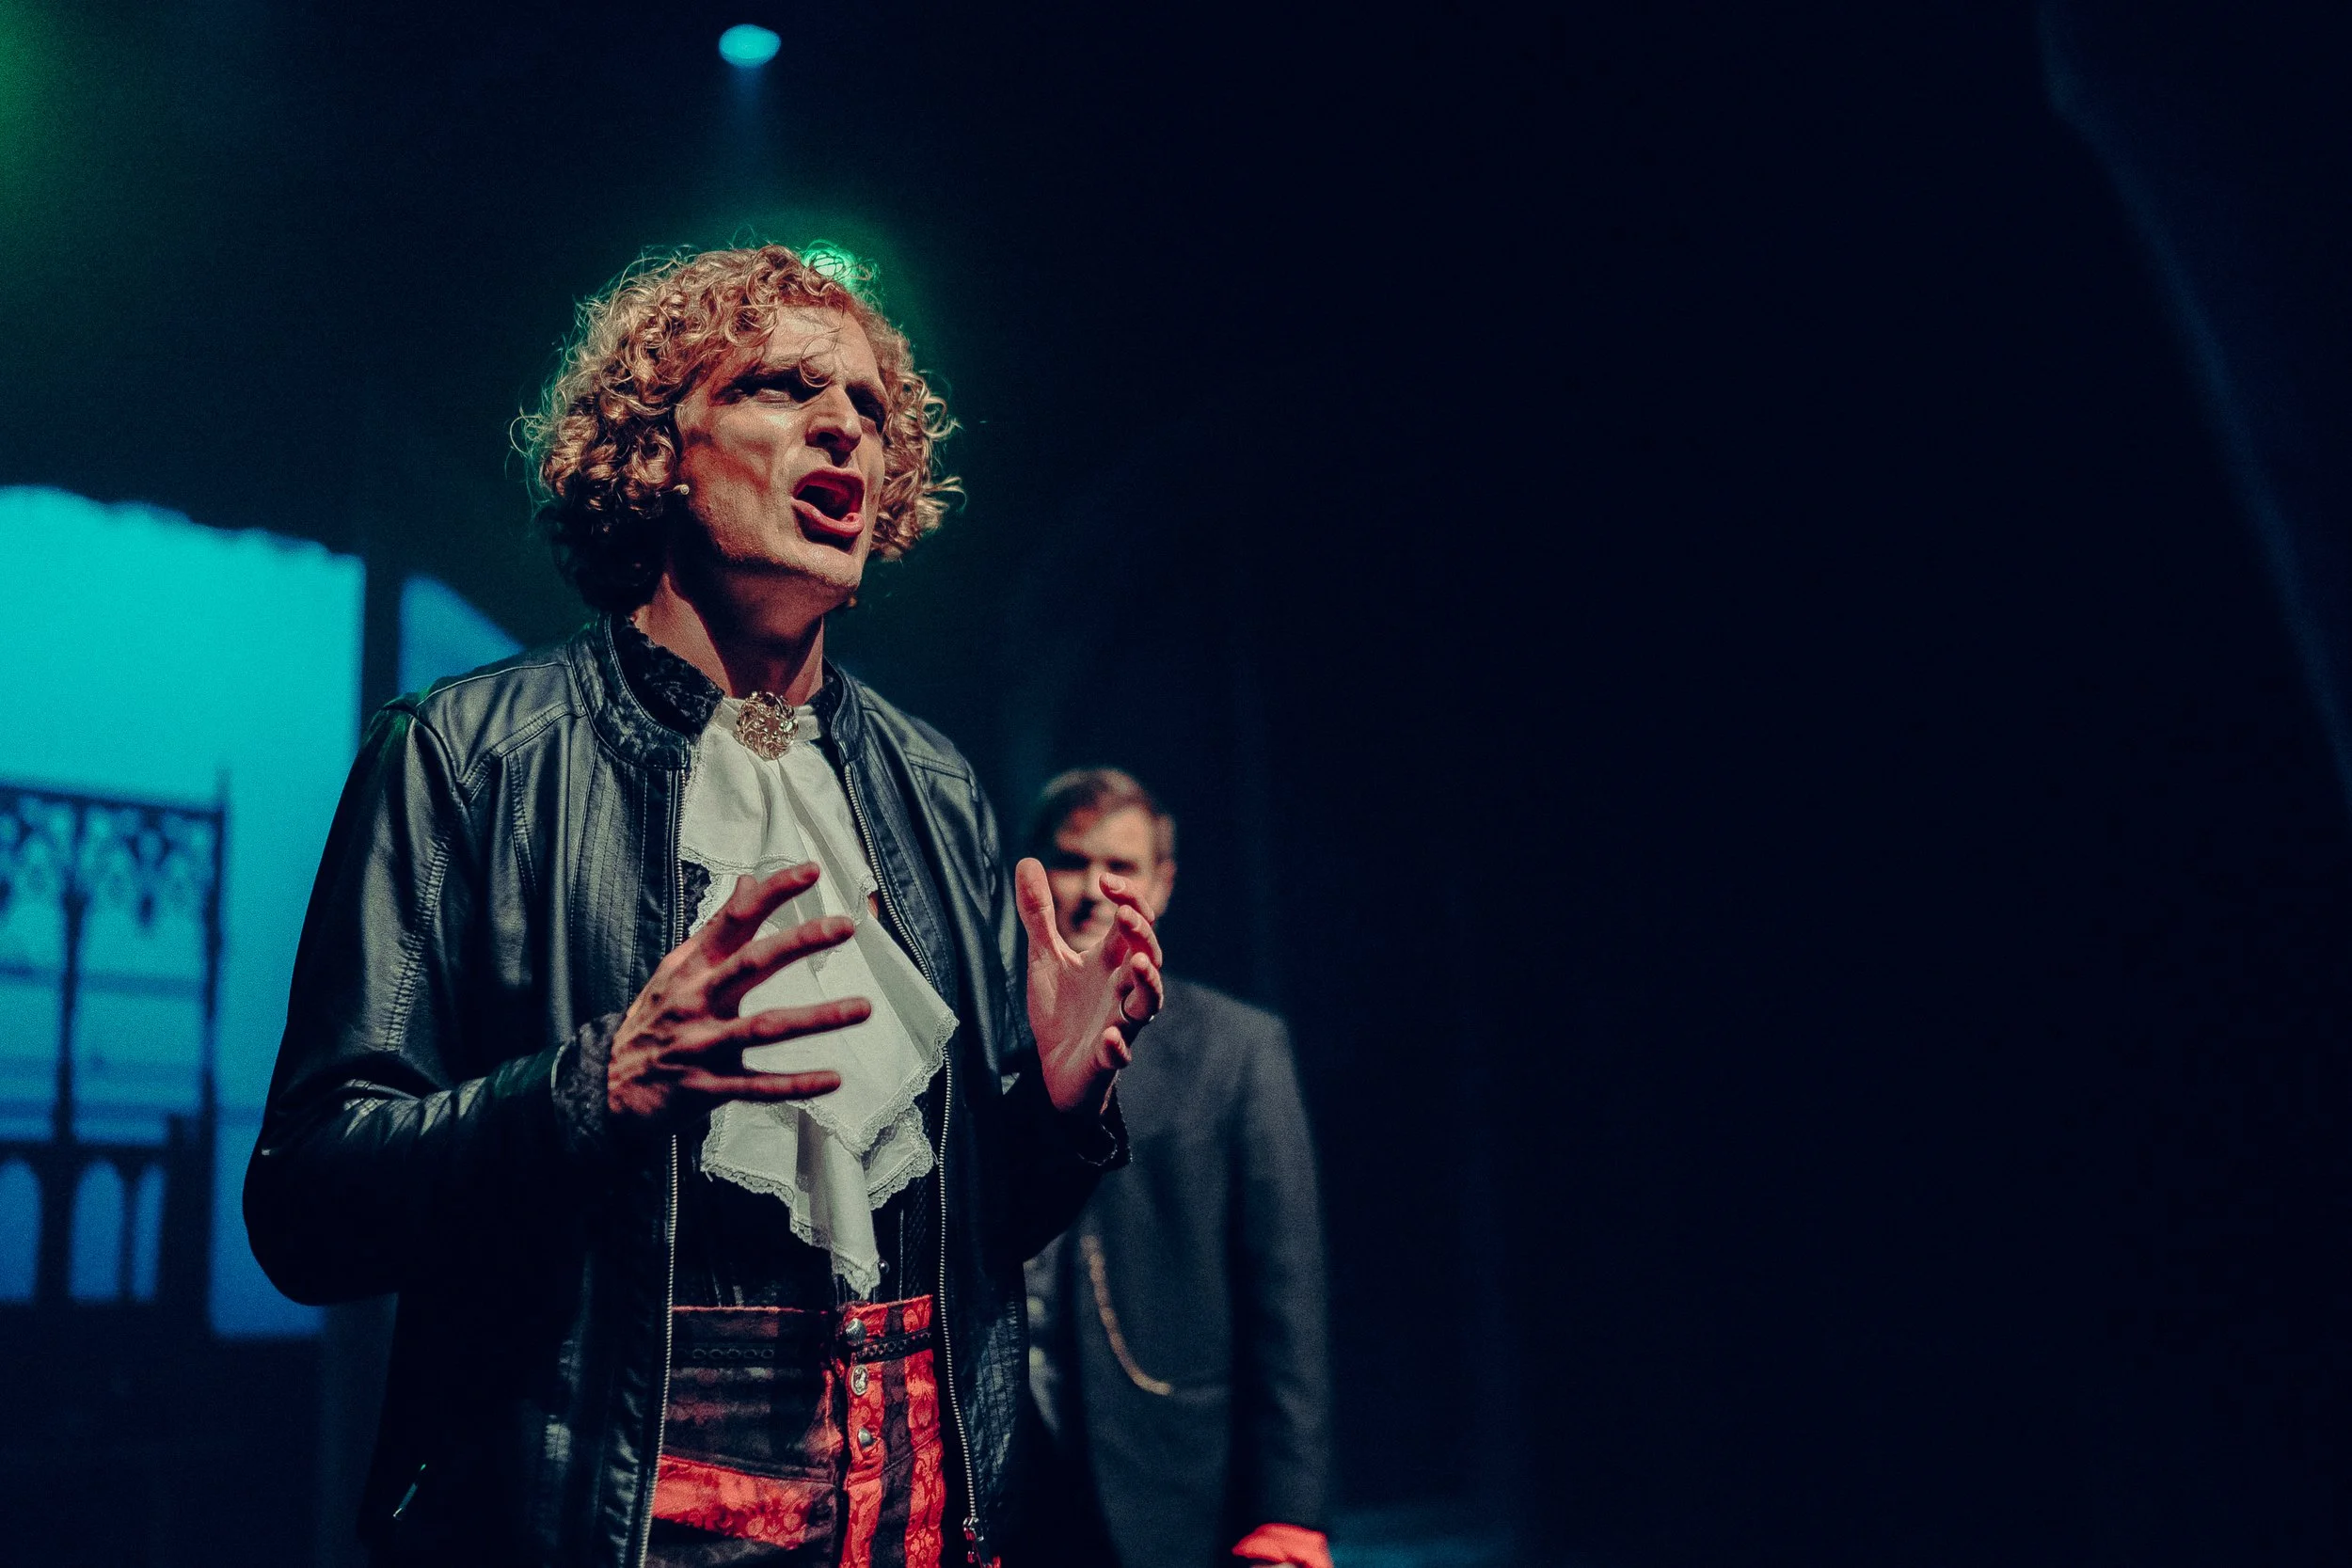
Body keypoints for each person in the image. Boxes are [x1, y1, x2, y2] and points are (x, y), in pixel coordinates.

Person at [245, 244, 1165, 1568]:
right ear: (658, 450)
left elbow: (964, 1244)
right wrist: (593, 1088)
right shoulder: (469, 755)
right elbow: (309, 1203)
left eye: (870, 407)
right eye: (783, 386)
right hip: (613, 1515)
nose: (846, 424)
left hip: (919, 1520)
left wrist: (1057, 1116)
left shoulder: (934, 786)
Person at [1015, 770, 1330, 1568]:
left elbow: (1284, 1291)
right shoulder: (983, 1034)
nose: (1092, 888)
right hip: (1007, 1473)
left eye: (1119, 866)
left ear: (1161, 883)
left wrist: (1289, 1511)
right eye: (1071, 860)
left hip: (1174, 1474)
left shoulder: (1237, 1048)